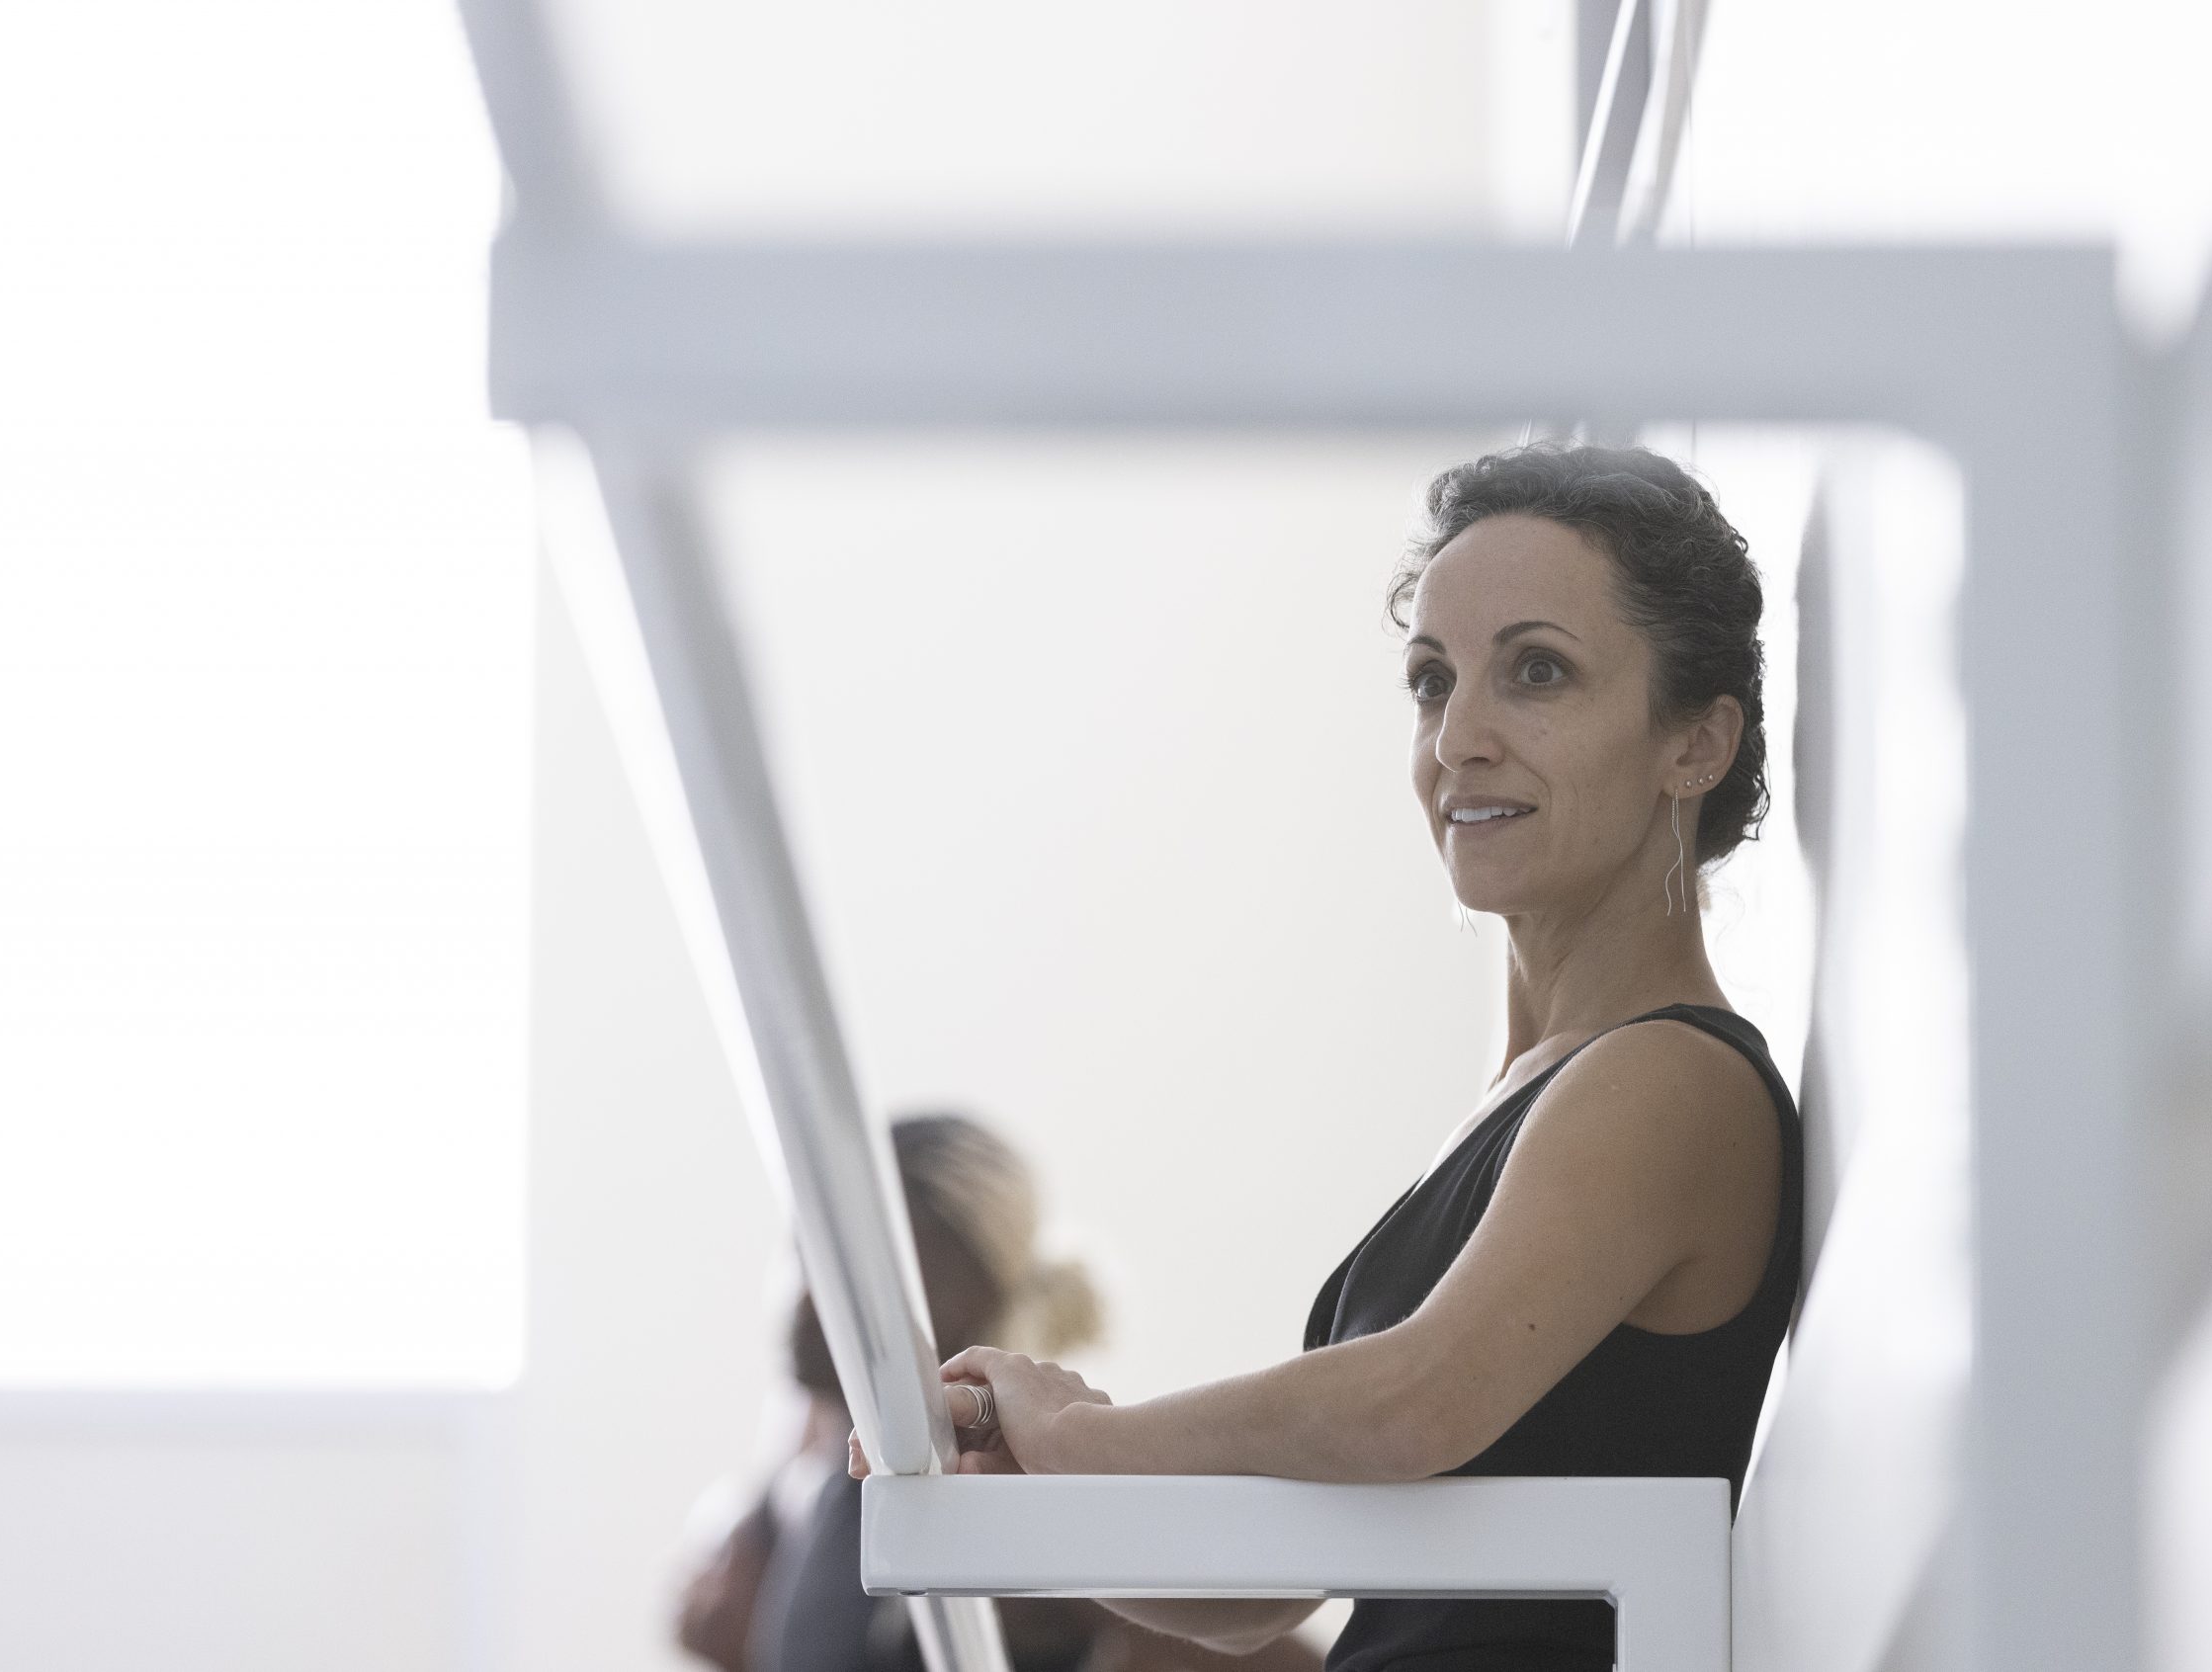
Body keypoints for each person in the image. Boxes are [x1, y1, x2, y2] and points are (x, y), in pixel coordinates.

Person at [851, 443, 1803, 1672]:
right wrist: (1030, 1495)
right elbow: (1268, 1593)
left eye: (1536, 673)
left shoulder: (1670, 1081)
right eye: (1430, 680)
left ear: (1694, 744)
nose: (1459, 736)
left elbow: (1410, 1405)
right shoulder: (1529, 1093)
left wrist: (1090, 1434)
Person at [675, 1112, 1323, 1672]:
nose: (812, 1289)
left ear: (971, 1311)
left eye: (870, 1271)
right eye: (808, 1240)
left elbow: (1276, 1650)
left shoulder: (986, 1491)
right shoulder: (800, 1459)